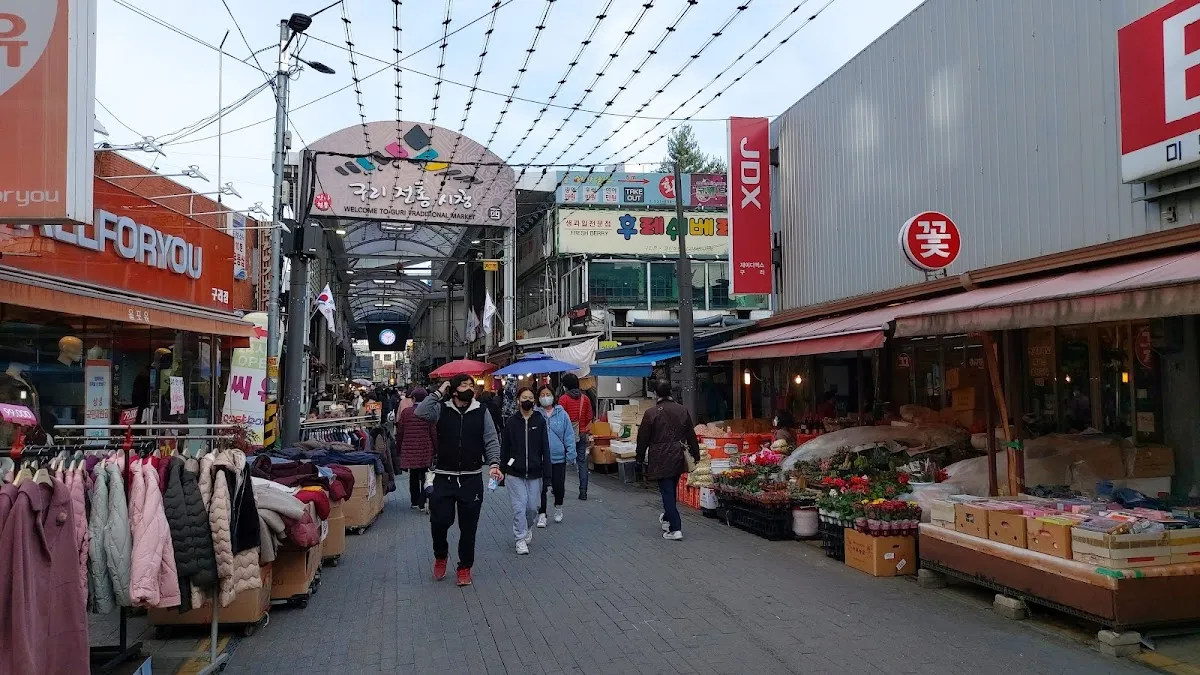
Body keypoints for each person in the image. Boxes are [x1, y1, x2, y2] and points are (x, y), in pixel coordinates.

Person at [415, 374, 503, 586]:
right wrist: (440, 390)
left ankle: (464, 567)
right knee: (439, 521)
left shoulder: (481, 411)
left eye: (471, 385)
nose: (469, 387)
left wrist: (494, 464)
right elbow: (420, 412)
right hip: (444, 477)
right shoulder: (441, 409)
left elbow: (491, 439)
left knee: (468, 527)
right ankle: (441, 555)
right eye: (463, 384)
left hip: (471, 479)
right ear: (453, 390)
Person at [636, 380, 701, 541]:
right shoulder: (682, 410)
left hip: (660, 456)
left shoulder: (651, 413)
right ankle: (667, 518)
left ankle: (675, 527)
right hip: (678, 454)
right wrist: (696, 453)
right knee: (670, 489)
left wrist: (639, 457)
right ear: (670, 392)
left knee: (666, 491)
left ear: (656, 393)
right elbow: (690, 435)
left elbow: (642, 438)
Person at [499, 387, 552, 555]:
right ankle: (520, 539)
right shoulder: (512, 422)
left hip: (535, 472)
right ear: (518, 400)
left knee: (532, 508)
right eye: (524, 397)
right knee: (519, 506)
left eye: (530, 397)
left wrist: (547, 473)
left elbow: (545, 448)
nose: (527, 400)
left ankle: (528, 526)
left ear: (534, 401)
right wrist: (502, 470)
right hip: (514, 472)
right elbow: (505, 447)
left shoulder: (540, 421)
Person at [535, 384, 576, 528]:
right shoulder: (535, 414)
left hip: (559, 457)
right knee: (541, 487)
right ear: (538, 397)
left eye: (548, 394)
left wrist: (571, 453)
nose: (545, 397)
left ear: (553, 396)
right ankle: (542, 514)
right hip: (540, 458)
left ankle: (558, 507)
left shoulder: (562, 414)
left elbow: (569, 434)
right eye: (542, 395)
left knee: (558, 486)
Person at [396, 387, 437, 512]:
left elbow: (400, 432)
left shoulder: (406, 413)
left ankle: (414, 500)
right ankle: (423, 501)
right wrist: (436, 448)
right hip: (426, 448)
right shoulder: (429, 412)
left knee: (413, 476)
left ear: (413, 399)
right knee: (426, 475)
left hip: (410, 448)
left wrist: (399, 448)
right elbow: (433, 432)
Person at [557, 372, 594, 500]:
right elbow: (590, 417)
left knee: (562, 462)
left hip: (567, 436)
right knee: (582, 462)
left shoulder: (563, 399)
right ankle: (583, 491)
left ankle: (558, 486)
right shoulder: (585, 398)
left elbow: (560, 419)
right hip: (582, 434)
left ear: (565, 386)